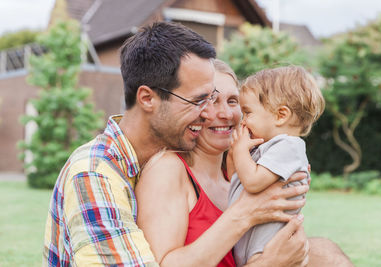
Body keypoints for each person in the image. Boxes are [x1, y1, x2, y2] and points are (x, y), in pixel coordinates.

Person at [42, 22, 308, 266]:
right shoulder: (94, 174)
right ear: (147, 99)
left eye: (230, 100)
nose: (210, 113)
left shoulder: (154, 161)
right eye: (199, 100)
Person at [136, 60, 312, 266]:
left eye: (233, 101)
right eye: (210, 100)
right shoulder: (167, 169)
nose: (226, 114)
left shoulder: (240, 176)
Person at [228, 66, 325, 266]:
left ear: (281, 115)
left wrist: (239, 152)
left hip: (267, 248)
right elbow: (236, 181)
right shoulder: (267, 147)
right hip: (253, 245)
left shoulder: (289, 145)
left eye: (248, 113)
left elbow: (253, 182)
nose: (243, 121)